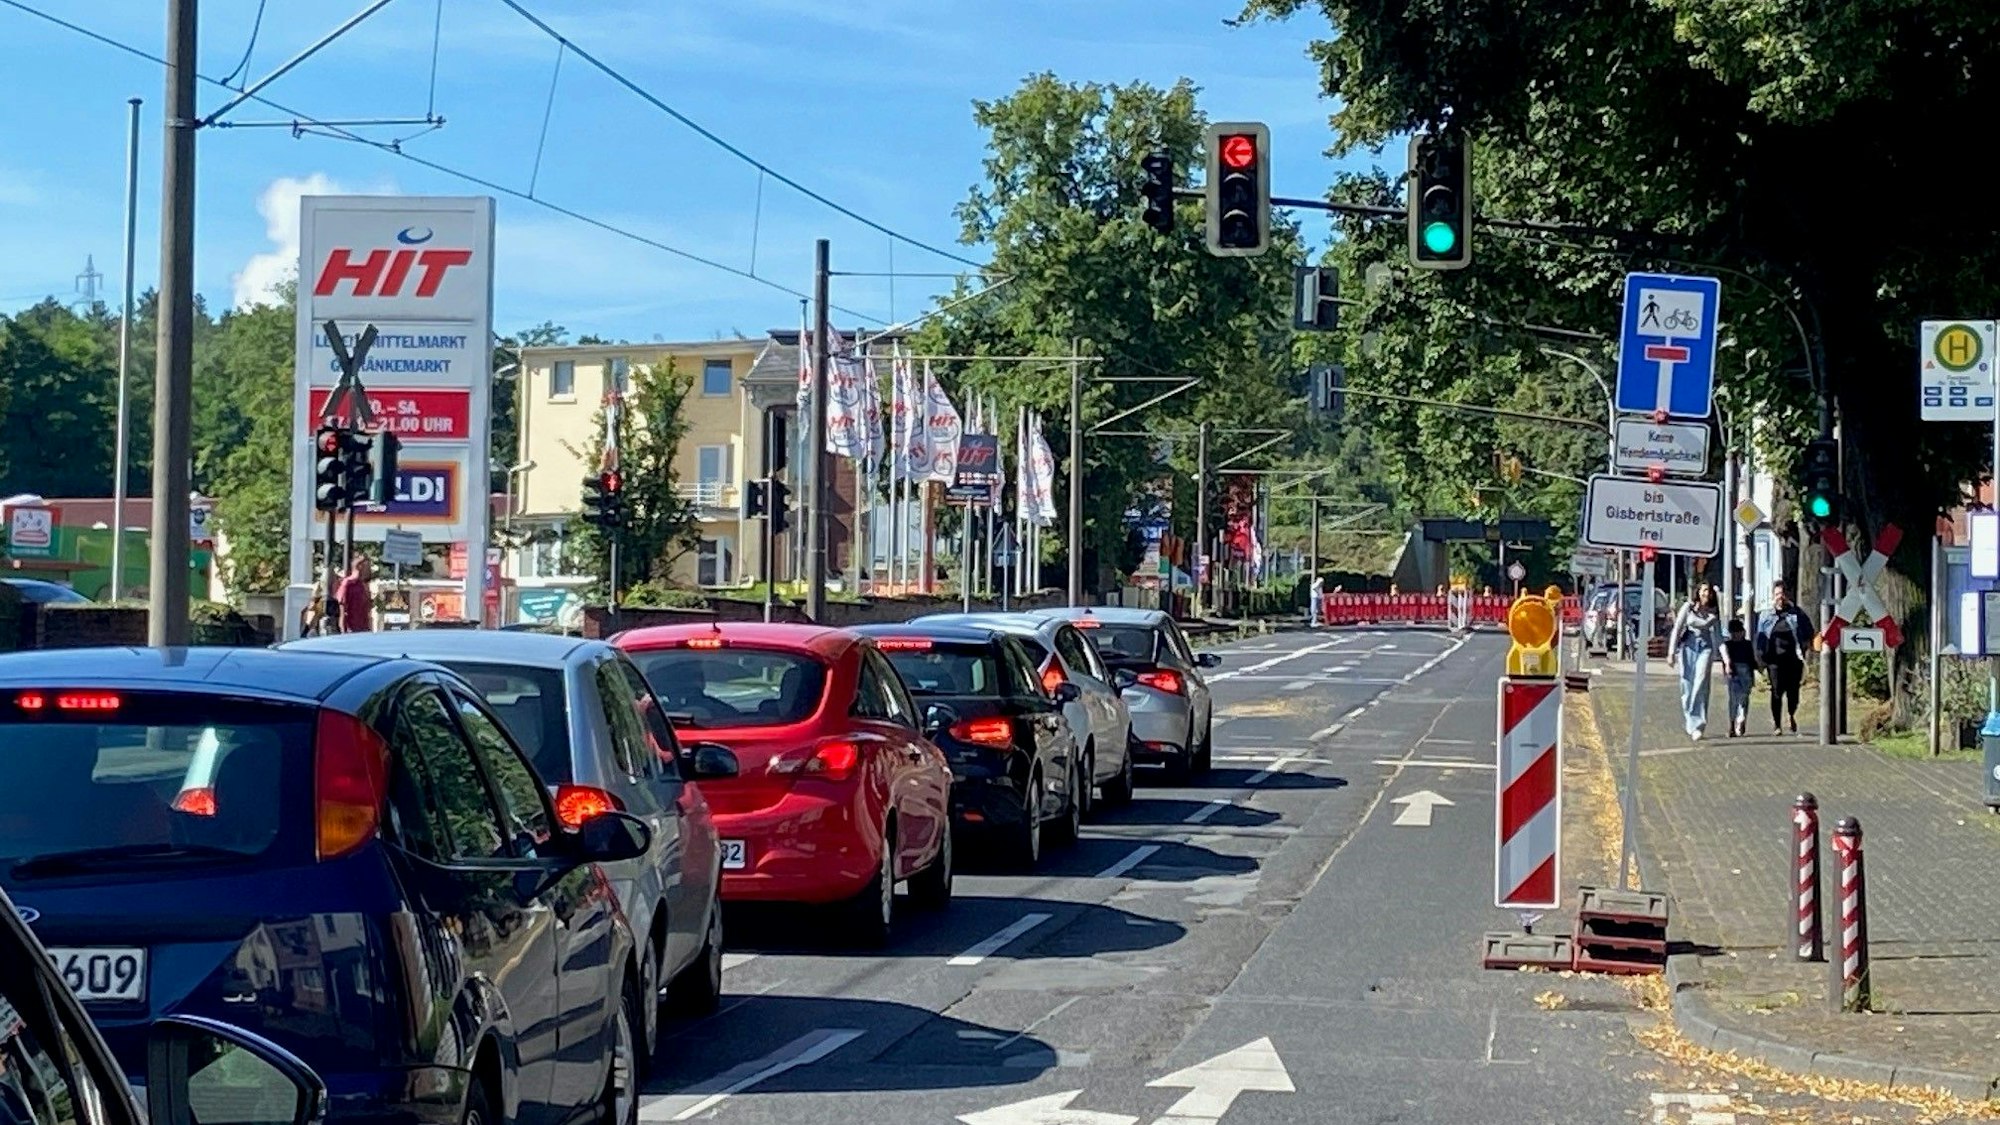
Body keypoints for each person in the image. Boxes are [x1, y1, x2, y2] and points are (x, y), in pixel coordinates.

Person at [1757, 580, 1817, 735]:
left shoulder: (1797, 613)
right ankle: (1777, 724)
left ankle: (1791, 714)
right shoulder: (1765, 615)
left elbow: (1809, 631)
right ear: (1773, 596)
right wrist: (1761, 660)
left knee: (1793, 691)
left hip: (1793, 659)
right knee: (1776, 691)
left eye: (1782, 594)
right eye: (1777, 594)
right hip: (1774, 660)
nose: (1780, 597)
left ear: (1787, 595)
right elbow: (1760, 638)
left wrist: (1806, 646)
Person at [1665, 581, 1722, 739]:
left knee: (1701, 682)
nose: (1706, 594)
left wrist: (1726, 658)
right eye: (1703, 590)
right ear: (1698, 592)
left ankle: (1698, 724)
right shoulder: (1688, 607)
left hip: (1705, 648)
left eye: (1708, 591)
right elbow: (1677, 628)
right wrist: (1671, 652)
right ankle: (1690, 721)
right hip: (1688, 648)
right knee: (1687, 686)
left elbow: (1719, 636)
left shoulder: (1713, 612)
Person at [1722, 618, 1757, 737]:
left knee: (1743, 699)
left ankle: (1741, 721)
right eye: (1733, 632)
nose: (1736, 635)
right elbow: (1726, 662)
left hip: (1745, 673)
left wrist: (1756, 670)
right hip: (1734, 674)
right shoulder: (1728, 645)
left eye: (1738, 632)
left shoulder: (1746, 644)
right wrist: (1727, 673)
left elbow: (1752, 660)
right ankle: (1733, 724)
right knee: (1734, 700)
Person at [336, 557, 376, 634]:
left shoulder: (363, 585)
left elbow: (367, 611)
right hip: (351, 630)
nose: (369, 570)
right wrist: (343, 632)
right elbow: (342, 611)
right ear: (359, 567)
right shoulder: (347, 584)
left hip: (364, 629)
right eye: (367, 567)